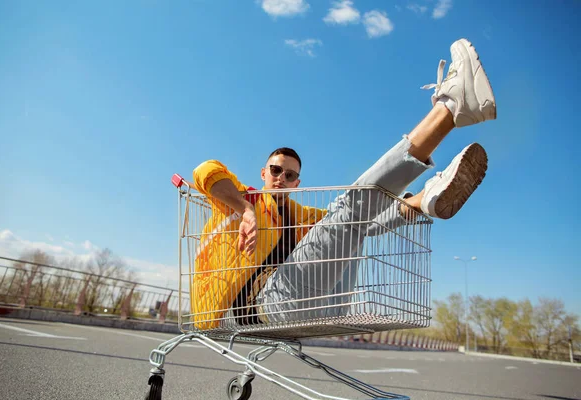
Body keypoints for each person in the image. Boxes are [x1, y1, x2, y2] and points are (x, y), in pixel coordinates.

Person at [190, 38, 496, 329]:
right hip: (256, 308)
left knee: (354, 219)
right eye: (275, 170)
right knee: (349, 211)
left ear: (298, 183)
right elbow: (206, 171)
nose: (281, 178)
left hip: (315, 304)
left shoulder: (301, 217)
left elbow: (366, 223)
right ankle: (449, 109)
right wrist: (245, 209)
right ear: (263, 173)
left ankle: (419, 201)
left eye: (290, 175)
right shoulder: (239, 199)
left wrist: (404, 206)